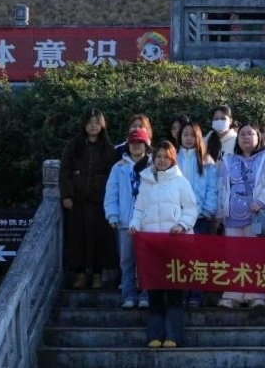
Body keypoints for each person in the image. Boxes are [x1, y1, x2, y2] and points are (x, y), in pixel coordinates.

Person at [128, 141, 198, 349]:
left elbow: (191, 209)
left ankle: (173, 336)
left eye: (166, 157)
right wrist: (134, 224)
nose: (161, 160)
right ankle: (155, 335)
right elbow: (139, 209)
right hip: (152, 246)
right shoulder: (146, 181)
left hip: (175, 243)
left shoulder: (180, 182)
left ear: (172, 159)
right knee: (155, 291)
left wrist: (182, 225)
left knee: (174, 291)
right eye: (158, 156)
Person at [216, 123, 265, 309]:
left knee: (256, 256)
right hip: (232, 218)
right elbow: (221, 187)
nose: (245, 137)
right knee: (233, 256)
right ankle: (233, 295)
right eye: (242, 134)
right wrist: (220, 212)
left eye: (250, 133)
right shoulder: (228, 160)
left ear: (258, 137)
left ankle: (256, 295)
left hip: (255, 217)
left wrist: (260, 202)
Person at [60, 109, 117, 290]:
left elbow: (113, 175)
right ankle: (80, 275)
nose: (93, 126)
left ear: (102, 125)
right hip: (78, 201)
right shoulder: (74, 146)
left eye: (97, 123)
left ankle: (98, 276)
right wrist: (67, 195)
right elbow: (65, 171)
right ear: (84, 124)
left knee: (100, 239)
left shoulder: (108, 148)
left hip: (101, 202)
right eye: (90, 123)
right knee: (77, 239)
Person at [104, 127, 153, 309]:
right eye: (133, 142)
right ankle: (129, 295)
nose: (136, 146)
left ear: (146, 145)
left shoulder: (153, 166)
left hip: (147, 222)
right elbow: (111, 193)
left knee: (146, 260)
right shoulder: (119, 167)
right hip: (125, 222)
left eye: (140, 142)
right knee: (126, 261)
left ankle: (146, 295)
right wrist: (112, 215)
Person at [177, 120, 218, 307]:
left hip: (200, 217)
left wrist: (208, 210)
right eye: (185, 134)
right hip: (177, 217)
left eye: (192, 135)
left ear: (198, 137)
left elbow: (212, 188)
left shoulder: (207, 160)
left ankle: (195, 295)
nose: (188, 138)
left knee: (198, 258)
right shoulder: (173, 158)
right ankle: (180, 293)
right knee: (179, 257)